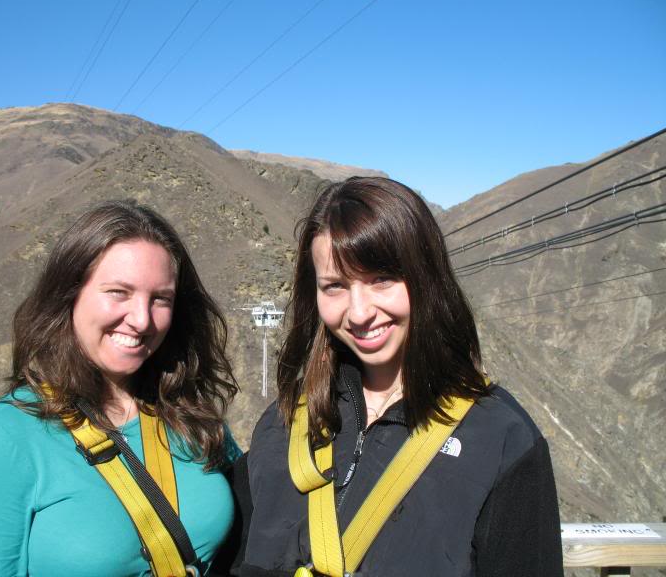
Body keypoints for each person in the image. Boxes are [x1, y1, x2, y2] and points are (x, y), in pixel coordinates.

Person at [235, 177, 563, 576]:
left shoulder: (500, 439)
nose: (359, 313)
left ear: (426, 277)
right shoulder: (283, 423)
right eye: (335, 286)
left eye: (381, 279)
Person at [0, 200, 240, 576]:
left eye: (160, 298)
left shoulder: (189, 414)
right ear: (70, 294)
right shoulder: (5, 437)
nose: (141, 319)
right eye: (119, 292)